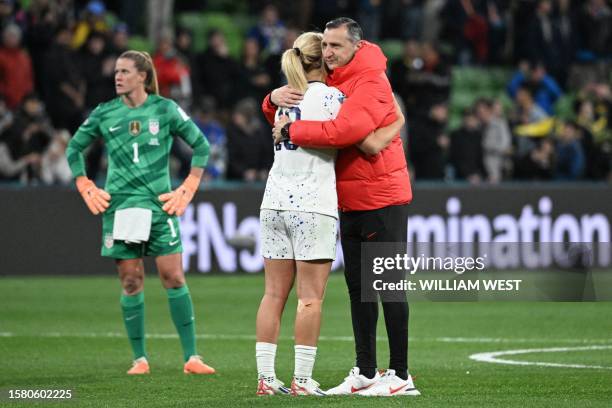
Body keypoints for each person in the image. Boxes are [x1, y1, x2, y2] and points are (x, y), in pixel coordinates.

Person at [263, 18, 419, 397]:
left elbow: (344, 133)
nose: (329, 53)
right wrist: (272, 100)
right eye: (326, 46)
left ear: (356, 45)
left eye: (336, 46)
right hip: (348, 196)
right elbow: (309, 110)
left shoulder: (368, 80)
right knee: (358, 289)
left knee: (388, 286)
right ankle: (366, 370)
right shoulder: (337, 80)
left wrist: (290, 131)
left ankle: (400, 375)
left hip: (382, 196)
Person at [66, 50, 215, 376]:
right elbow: (74, 147)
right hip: (120, 206)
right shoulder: (104, 113)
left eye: (124, 71)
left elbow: (201, 146)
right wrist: (84, 184)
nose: (117, 76)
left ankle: (191, 357)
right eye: (116, 71)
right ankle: (140, 359)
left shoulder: (165, 109)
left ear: (142, 77)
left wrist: (188, 186)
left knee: (173, 277)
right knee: (131, 280)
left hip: (160, 205)